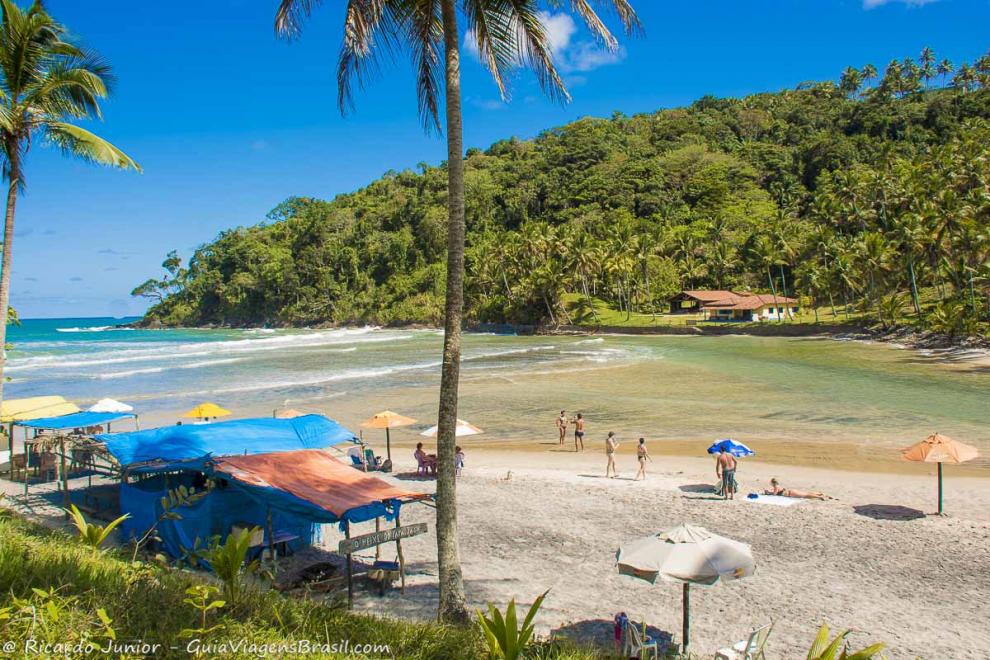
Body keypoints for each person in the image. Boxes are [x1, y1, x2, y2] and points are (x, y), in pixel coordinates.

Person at [764, 477, 830, 500]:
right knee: (806, 493)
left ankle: (819, 497)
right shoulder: (777, 486)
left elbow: (774, 495)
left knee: (806, 495)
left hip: (791, 494)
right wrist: (769, 491)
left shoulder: (775, 487)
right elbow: (775, 491)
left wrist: (768, 493)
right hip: (791, 491)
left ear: (772, 483)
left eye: (770, 483)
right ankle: (820, 493)